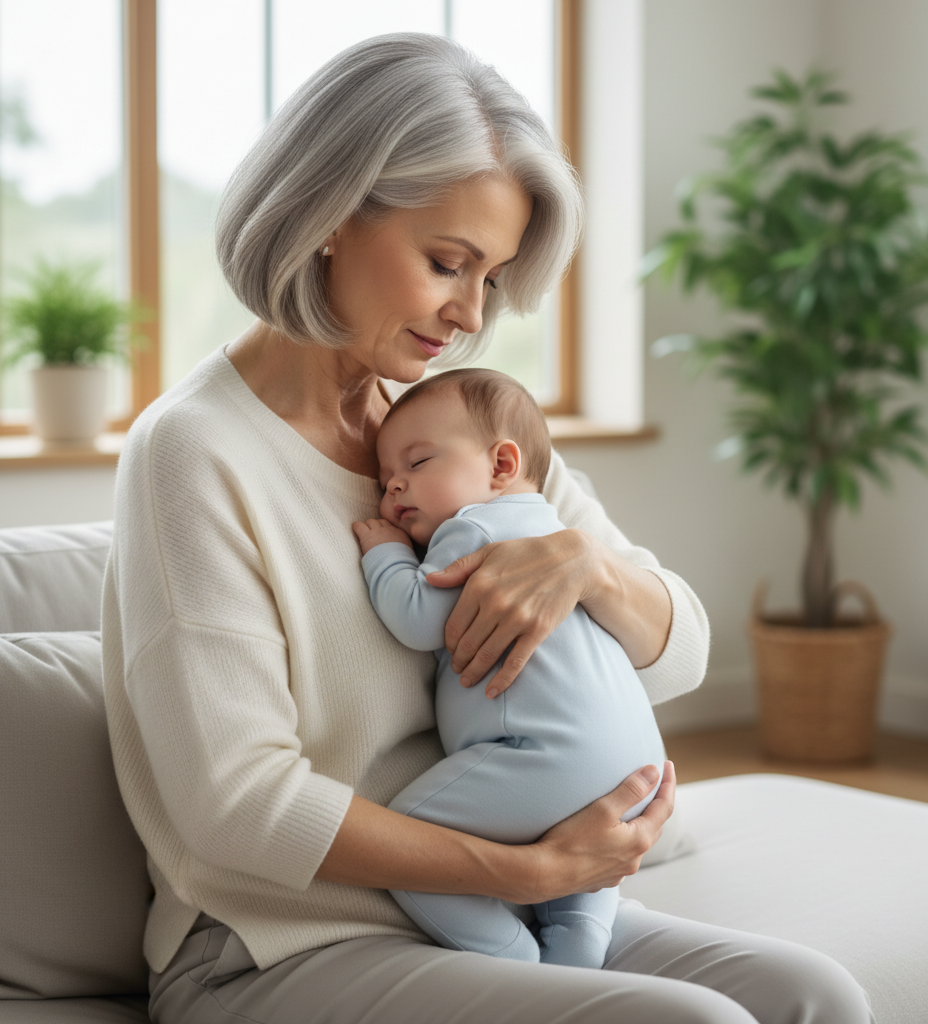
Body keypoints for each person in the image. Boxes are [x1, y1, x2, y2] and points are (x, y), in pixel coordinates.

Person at [102, 32, 875, 1024]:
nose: (468, 315)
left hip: (486, 900)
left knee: (816, 995)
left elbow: (678, 651)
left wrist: (583, 564)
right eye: (447, 263)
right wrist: (521, 868)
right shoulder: (194, 451)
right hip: (279, 943)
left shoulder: (452, 431)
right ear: (330, 212)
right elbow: (237, 803)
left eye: (492, 279)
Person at [353, 367, 667, 969]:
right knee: (579, 904)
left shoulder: (472, 526)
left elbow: (420, 620)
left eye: (416, 464)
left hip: (546, 755)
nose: (393, 487)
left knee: (410, 841)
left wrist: (385, 554)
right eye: (386, 476)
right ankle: (575, 966)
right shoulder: (555, 528)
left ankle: (513, 964)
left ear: (501, 465)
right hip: (634, 766)